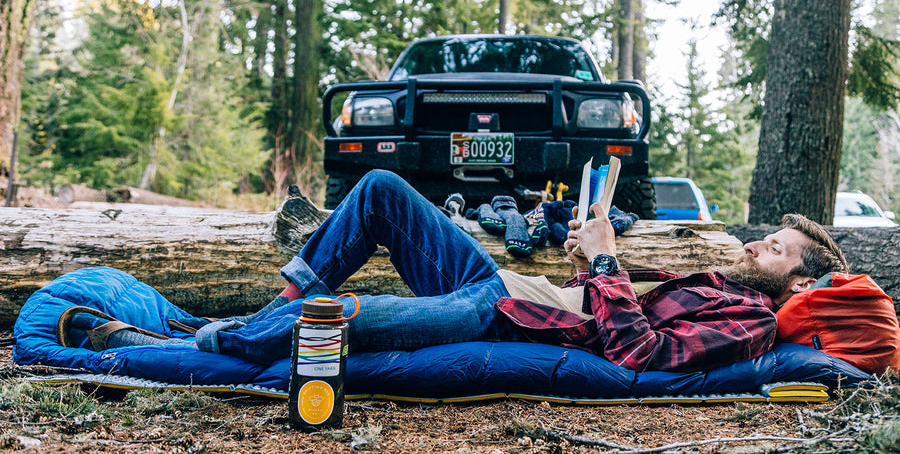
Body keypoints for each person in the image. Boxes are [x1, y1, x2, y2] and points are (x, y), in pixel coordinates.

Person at [62, 169, 849, 373]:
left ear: (799, 285)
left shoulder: (748, 324)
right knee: (379, 193)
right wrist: (593, 255)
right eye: (763, 239)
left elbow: (637, 352)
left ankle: (190, 339)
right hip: (506, 284)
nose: (754, 248)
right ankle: (279, 296)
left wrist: (606, 260)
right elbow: (611, 296)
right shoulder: (717, 279)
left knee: (338, 324)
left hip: (503, 316)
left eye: (773, 251)